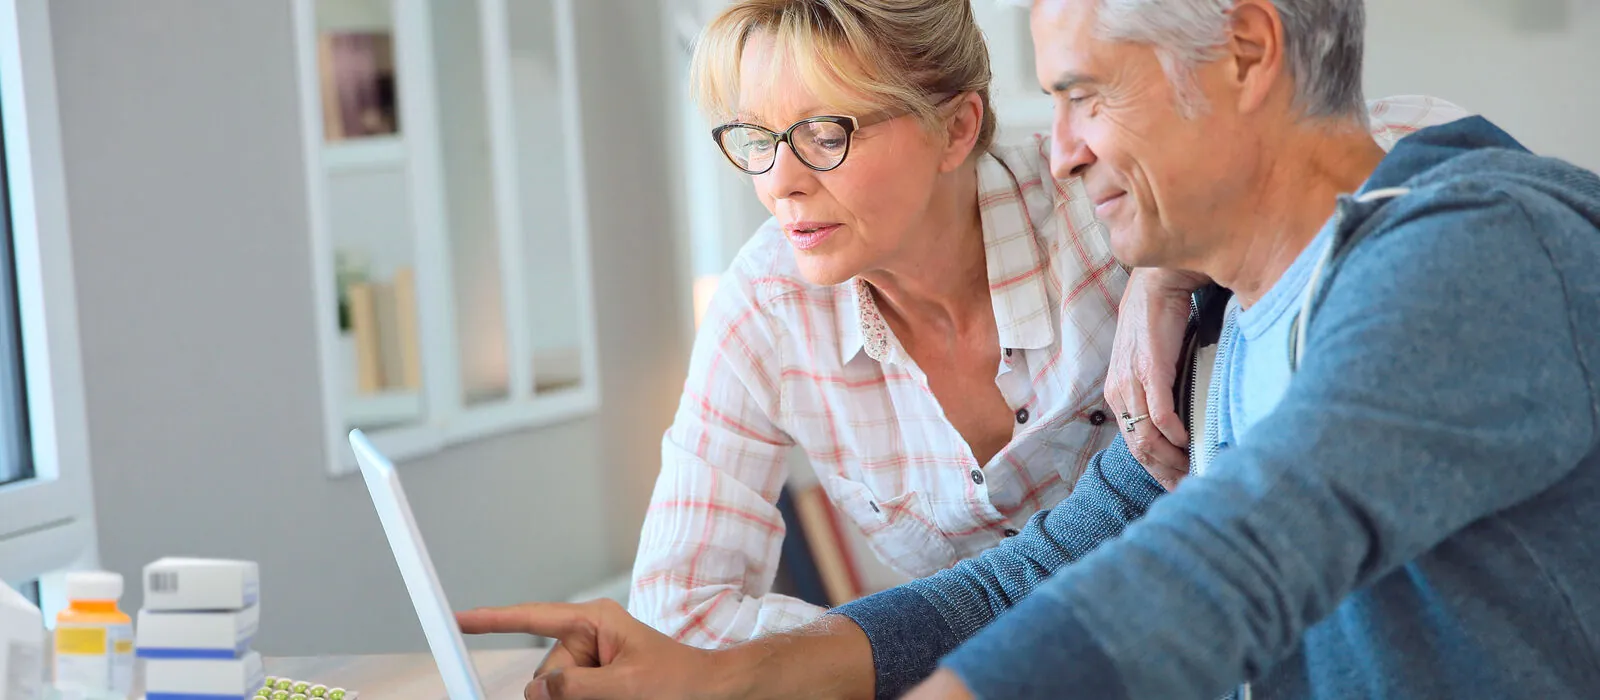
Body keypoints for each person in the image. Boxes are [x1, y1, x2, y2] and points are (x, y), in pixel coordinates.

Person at [456, 0, 1600, 698]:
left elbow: (1236, 554)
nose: (1054, 156)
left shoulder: (1474, 246)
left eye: (1084, 96)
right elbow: (1032, 572)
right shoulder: (1233, 316)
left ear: (1246, 53)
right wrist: (721, 681)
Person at [624, 0, 1453, 651]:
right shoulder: (765, 306)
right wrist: (876, 651)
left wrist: (1168, 267)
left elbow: (1432, 136)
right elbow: (676, 613)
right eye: (756, 139)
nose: (780, 184)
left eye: (823, 134)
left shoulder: (1095, 198)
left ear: (955, 128)